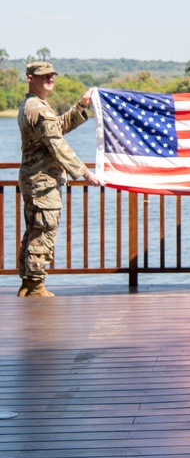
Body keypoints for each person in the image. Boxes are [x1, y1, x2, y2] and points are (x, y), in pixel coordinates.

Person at [17, 61, 101, 297]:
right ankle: (34, 287)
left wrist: (81, 106)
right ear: (30, 78)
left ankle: (29, 283)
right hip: (42, 183)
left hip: (36, 181)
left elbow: (56, 129)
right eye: (44, 76)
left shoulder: (35, 105)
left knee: (35, 230)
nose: (49, 79)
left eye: (51, 75)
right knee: (43, 231)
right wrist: (84, 173)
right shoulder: (38, 109)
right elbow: (57, 145)